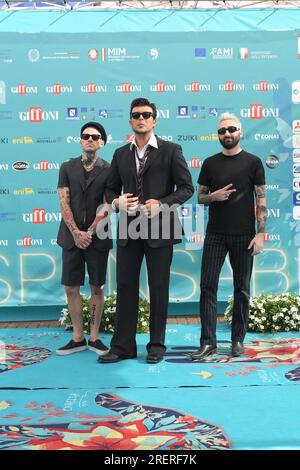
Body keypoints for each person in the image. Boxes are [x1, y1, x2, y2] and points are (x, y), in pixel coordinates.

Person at [99, 97, 194, 364]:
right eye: (136, 115)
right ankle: (122, 346)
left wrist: (162, 204)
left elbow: (187, 188)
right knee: (126, 287)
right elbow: (110, 189)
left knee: (159, 288)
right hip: (129, 229)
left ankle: (156, 346)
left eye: (146, 114)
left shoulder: (171, 150)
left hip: (161, 228)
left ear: (154, 120)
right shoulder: (120, 154)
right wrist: (116, 202)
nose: (141, 118)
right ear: (130, 120)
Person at [190, 112, 267, 360]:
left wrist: (261, 234)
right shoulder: (210, 163)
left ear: (240, 132)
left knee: (241, 289)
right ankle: (208, 342)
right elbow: (200, 197)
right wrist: (214, 196)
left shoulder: (253, 162)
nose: (227, 134)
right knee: (207, 287)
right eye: (222, 131)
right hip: (215, 235)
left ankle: (237, 340)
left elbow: (261, 199)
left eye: (231, 129)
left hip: (244, 235)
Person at [56, 121, 112, 356]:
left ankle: (95, 337)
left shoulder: (110, 169)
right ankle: (78, 338)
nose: (90, 139)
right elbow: (63, 201)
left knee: (97, 287)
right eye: (86, 136)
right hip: (70, 238)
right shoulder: (67, 167)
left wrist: (88, 232)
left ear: (102, 142)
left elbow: (108, 204)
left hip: (97, 237)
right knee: (71, 287)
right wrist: (76, 233)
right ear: (80, 140)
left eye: (95, 136)